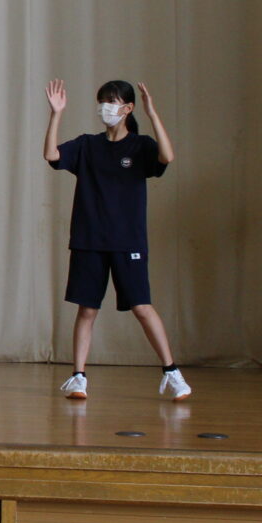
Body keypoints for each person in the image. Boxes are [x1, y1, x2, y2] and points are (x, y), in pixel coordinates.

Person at [43, 79, 190, 401]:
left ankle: (172, 373)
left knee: (142, 306)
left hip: (128, 241)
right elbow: (51, 155)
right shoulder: (87, 145)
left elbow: (167, 157)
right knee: (87, 310)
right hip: (89, 240)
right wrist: (56, 114)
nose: (105, 107)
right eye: (102, 100)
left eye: (112, 101)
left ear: (127, 108)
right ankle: (78, 377)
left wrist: (153, 114)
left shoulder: (141, 146)